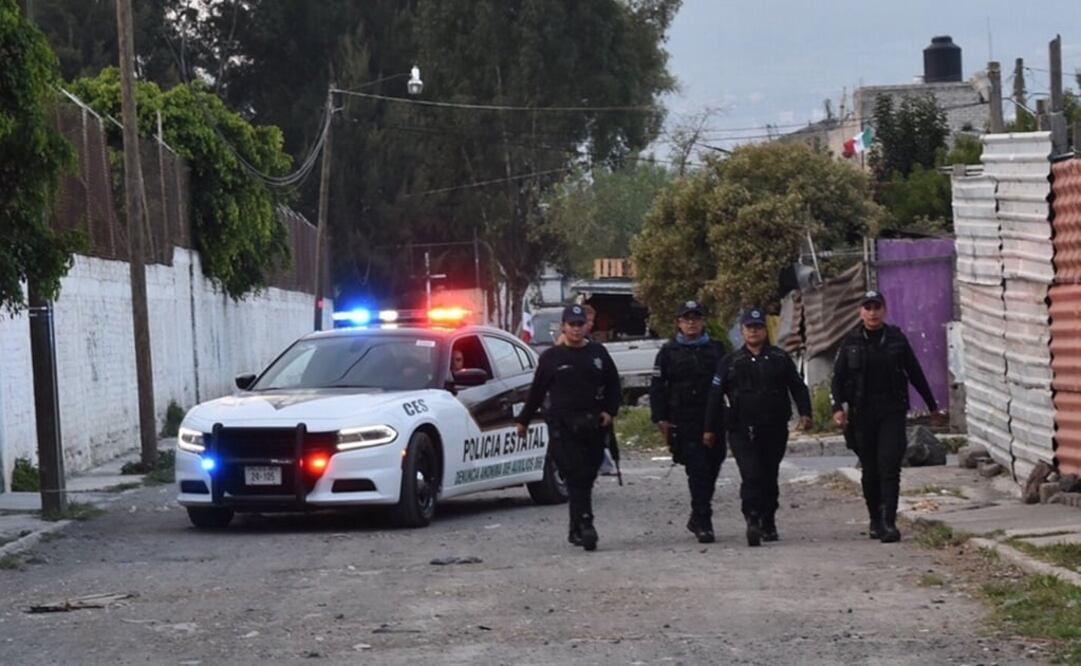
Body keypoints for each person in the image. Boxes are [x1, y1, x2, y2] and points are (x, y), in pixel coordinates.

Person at [831, 290, 940, 544]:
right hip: (862, 414)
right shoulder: (851, 342)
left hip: (891, 411)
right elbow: (838, 379)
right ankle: (875, 519)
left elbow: (915, 372)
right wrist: (838, 407)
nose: (872, 312)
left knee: (889, 466)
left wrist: (932, 405)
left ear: (884, 310)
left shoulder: (896, 339)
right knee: (870, 471)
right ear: (861, 312)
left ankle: (890, 522)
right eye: (868, 308)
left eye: (877, 307)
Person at [516, 304, 621, 551]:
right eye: (571, 324)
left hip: (593, 425)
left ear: (586, 326)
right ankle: (586, 525)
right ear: (563, 326)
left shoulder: (598, 353)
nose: (576, 329)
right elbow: (537, 392)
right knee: (575, 475)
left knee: (587, 475)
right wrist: (524, 420)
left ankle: (576, 526)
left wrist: (610, 411)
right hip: (563, 427)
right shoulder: (551, 358)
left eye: (580, 324)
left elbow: (614, 385)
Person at [704, 308, 811, 547]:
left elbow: (797, 387)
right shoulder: (730, 361)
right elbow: (715, 395)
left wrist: (805, 413)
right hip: (741, 429)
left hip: (773, 428)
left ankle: (768, 520)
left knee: (769, 476)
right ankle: (752, 519)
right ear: (742, 332)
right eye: (749, 328)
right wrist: (709, 429)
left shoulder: (779, 358)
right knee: (751, 475)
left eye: (758, 327)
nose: (754, 331)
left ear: (764, 330)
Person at [649, 300, 726, 543]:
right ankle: (704, 521)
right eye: (686, 318)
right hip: (684, 420)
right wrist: (661, 419)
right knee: (698, 470)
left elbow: (730, 381)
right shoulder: (668, 352)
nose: (691, 323)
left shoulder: (716, 349)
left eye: (695, 318)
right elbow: (657, 388)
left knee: (713, 466)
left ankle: (697, 514)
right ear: (678, 323)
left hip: (714, 418)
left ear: (703, 321)